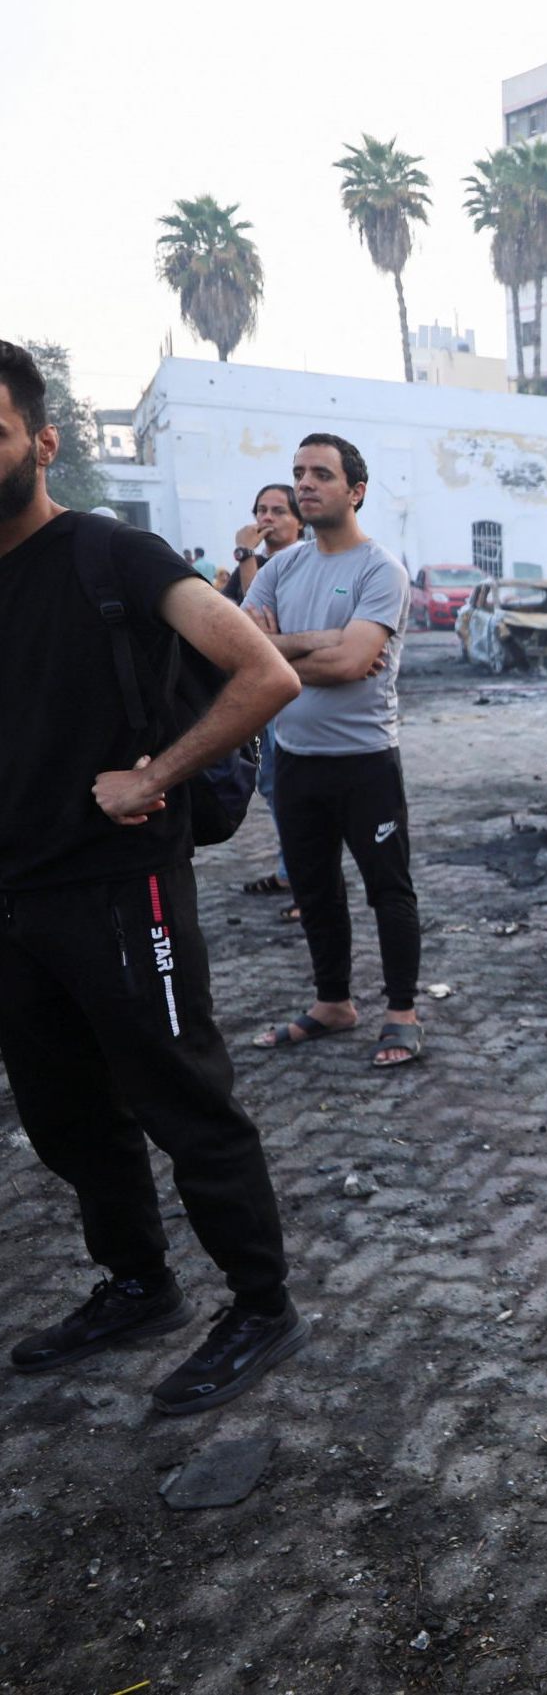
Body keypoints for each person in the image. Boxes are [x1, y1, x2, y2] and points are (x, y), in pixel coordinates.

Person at [0, 339, 310, 1415]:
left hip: (123, 882)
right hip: (18, 897)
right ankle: (138, 1283)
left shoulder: (107, 555)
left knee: (184, 1100)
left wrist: (156, 775)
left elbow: (263, 673)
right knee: (65, 1116)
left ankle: (262, 1306)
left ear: (40, 444)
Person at [245, 433, 423, 1068]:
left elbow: (354, 663)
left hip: (365, 761)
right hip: (295, 759)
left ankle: (401, 1012)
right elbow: (244, 650)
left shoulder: (381, 570)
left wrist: (282, 648)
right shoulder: (281, 568)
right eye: (299, 473)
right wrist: (318, 644)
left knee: (388, 889)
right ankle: (333, 1004)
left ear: (357, 490)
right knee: (315, 889)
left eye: (322, 473)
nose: (306, 484)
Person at [227, 485, 305, 909]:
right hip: (265, 701)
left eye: (278, 510)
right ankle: (289, 871)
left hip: (298, 699)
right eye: (261, 509)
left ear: (299, 521)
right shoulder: (258, 565)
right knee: (274, 786)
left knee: (297, 793)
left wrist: (245, 556)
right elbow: (243, 626)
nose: (267, 518)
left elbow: (263, 631)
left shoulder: (301, 564)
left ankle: (306, 881)